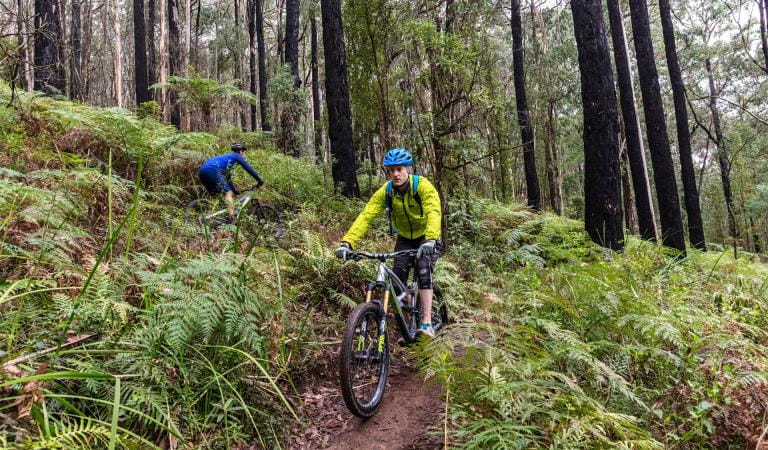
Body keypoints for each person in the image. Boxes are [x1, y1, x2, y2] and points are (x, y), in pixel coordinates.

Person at [335, 147, 442, 338]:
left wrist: (431, 239)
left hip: (426, 236)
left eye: (400, 169)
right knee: (398, 280)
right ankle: (409, 325)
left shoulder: (423, 187)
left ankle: (426, 323)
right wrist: (347, 242)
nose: (395, 174)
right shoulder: (387, 191)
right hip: (405, 238)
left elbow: (434, 211)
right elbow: (366, 216)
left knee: (423, 269)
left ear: (409, 169)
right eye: (392, 170)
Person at [198, 143, 264, 223]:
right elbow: (248, 169)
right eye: (244, 152)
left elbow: (227, 177)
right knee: (228, 193)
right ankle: (232, 218)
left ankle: (211, 215)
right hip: (212, 170)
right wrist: (259, 180)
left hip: (202, 172)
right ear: (241, 151)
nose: (244, 154)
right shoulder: (236, 156)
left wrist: (235, 191)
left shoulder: (227, 159)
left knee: (221, 193)